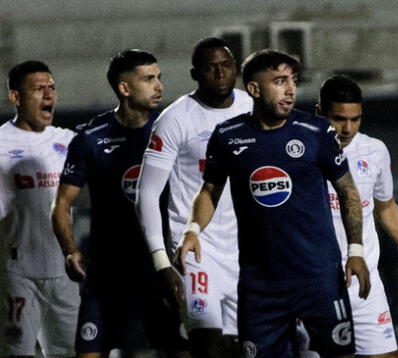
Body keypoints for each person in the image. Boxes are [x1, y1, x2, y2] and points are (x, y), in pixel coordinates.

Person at [174, 49, 370, 358]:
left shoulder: (316, 133)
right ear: (254, 89)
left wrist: (355, 251)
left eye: (292, 80)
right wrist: (192, 230)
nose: (290, 89)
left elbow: (348, 192)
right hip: (260, 287)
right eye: (279, 81)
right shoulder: (227, 137)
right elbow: (209, 191)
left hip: (318, 277)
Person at [51, 49, 186, 358]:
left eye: (159, 78)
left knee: (181, 349)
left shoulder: (172, 131)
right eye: (149, 79)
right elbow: (62, 204)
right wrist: (70, 249)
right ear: (124, 88)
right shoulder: (90, 138)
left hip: (161, 268)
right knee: (89, 351)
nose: (159, 86)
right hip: (106, 271)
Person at [136, 37, 252, 358]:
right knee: (207, 342)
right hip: (196, 250)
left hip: (248, 250)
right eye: (210, 67)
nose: (219, 73)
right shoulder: (175, 119)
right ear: (194, 74)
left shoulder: (252, 110)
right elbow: (146, 194)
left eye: (226, 65)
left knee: (247, 347)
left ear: (236, 69)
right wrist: (162, 262)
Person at [313, 75, 398, 357]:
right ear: (320, 112)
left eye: (355, 119)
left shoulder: (375, 150)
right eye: (338, 119)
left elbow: (386, 208)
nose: (347, 128)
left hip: (364, 283)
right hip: (316, 284)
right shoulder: (301, 153)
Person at [0, 61, 78, 358]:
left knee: (70, 351)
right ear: (16, 97)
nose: (48, 95)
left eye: (52, 87)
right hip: (17, 272)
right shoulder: (1, 144)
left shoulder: (67, 142)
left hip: (64, 273)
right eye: (38, 89)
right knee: (17, 350)